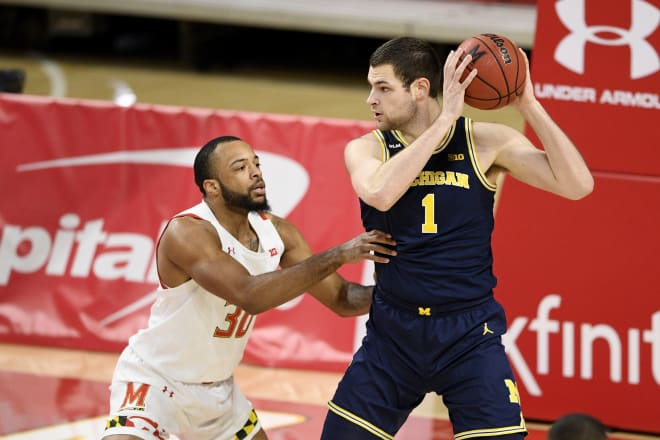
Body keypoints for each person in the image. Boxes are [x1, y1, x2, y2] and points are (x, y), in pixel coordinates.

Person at [320, 37, 594, 440]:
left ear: (419, 89)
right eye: (370, 87)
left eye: (382, 88)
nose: (370, 99)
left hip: (468, 334)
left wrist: (529, 106)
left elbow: (578, 185)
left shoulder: (485, 142)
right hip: (394, 334)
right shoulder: (367, 148)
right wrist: (445, 120)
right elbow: (379, 192)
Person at [101, 135, 397, 440]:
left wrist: (408, 290)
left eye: (256, 163)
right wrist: (339, 254)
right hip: (155, 382)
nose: (256, 172)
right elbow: (249, 294)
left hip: (218, 392)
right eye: (240, 167)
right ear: (212, 186)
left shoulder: (278, 233)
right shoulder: (187, 231)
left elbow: (343, 298)